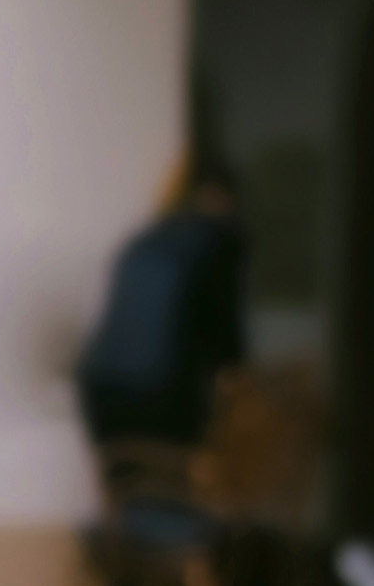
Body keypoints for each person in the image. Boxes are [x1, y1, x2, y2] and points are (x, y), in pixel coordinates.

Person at [73, 162, 246, 451]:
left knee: (132, 481)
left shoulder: (147, 237)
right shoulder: (217, 241)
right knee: (176, 480)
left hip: (101, 385)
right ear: (224, 198)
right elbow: (222, 331)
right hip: (157, 391)